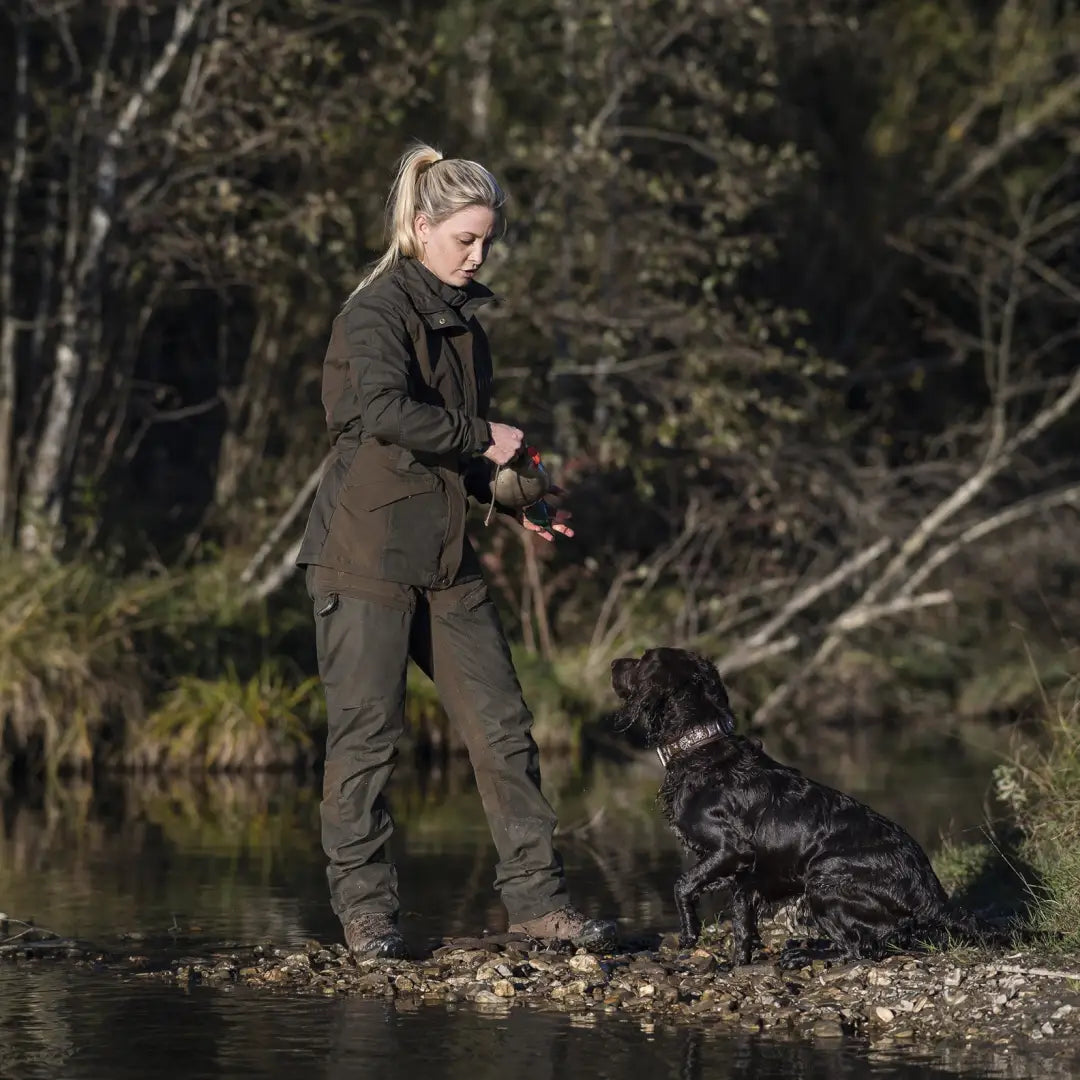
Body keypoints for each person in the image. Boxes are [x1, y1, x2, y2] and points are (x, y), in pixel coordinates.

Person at [297, 143, 617, 959]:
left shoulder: (465, 323)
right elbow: (383, 413)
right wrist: (484, 434)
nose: (478, 257)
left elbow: (458, 455)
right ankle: (368, 922)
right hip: (362, 558)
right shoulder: (372, 313)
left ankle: (540, 904)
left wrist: (518, 499)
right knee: (367, 741)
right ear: (418, 226)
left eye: (487, 243)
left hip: (445, 561)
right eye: (465, 240)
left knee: (505, 726)